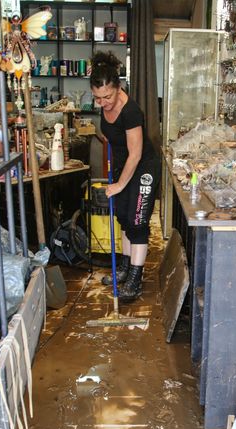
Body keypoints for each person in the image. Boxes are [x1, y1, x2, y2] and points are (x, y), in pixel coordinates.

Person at [90, 51, 160, 302]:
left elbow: (136, 153)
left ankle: (136, 279)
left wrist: (120, 184)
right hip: (123, 166)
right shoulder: (103, 105)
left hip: (143, 167)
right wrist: (116, 175)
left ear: (118, 88)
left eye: (107, 96)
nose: (103, 102)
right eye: (97, 98)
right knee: (123, 217)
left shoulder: (131, 111)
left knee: (137, 221)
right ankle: (125, 266)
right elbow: (111, 137)